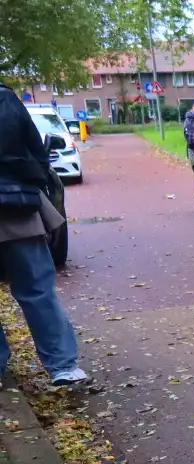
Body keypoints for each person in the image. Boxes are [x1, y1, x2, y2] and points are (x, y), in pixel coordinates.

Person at [0, 80, 89, 386]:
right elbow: (36, 153)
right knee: (37, 290)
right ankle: (62, 366)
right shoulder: (5, 99)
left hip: (15, 206)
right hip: (15, 208)